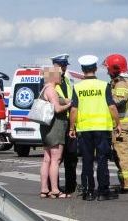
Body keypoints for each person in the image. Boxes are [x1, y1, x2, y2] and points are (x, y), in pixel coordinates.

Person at [68, 55, 121, 201]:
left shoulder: (77, 87)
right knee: (102, 159)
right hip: (102, 128)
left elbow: (73, 110)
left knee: (87, 160)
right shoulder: (104, 85)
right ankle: (103, 191)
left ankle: (88, 191)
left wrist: (72, 128)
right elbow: (112, 106)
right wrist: (118, 123)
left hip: (84, 129)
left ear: (82, 70)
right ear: (96, 69)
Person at [104, 53, 128, 193]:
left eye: (108, 69)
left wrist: (106, 100)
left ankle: (127, 185)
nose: (107, 71)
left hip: (122, 125)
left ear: (115, 68)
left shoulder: (121, 82)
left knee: (122, 156)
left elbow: (118, 101)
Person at [39, 66, 72, 199]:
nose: (61, 77)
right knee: (55, 159)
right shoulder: (52, 90)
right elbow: (57, 109)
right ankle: (55, 190)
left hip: (46, 128)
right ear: (53, 76)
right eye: (59, 75)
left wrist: (66, 100)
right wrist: (70, 105)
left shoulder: (44, 88)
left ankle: (44, 189)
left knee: (47, 159)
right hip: (55, 126)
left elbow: (58, 101)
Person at [52, 54, 79, 195]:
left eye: (64, 66)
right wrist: (69, 102)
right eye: (62, 65)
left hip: (68, 120)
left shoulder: (67, 79)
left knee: (71, 156)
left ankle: (71, 186)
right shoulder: (50, 77)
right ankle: (53, 187)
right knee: (56, 158)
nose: (64, 68)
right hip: (56, 120)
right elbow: (52, 99)